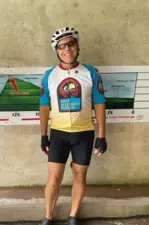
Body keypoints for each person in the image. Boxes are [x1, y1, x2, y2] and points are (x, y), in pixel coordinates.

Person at [39, 27, 107, 225]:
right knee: (54, 177)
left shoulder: (91, 73)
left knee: (80, 175)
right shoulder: (49, 75)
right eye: (61, 46)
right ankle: (48, 217)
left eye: (70, 44)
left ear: (77, 47)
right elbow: (44, 106)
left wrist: (101, 136)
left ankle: (73, 216)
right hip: (59, 133)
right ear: (57, 51)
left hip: (84, 133)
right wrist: (43, 135)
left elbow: (100, 103)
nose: (66, 49)